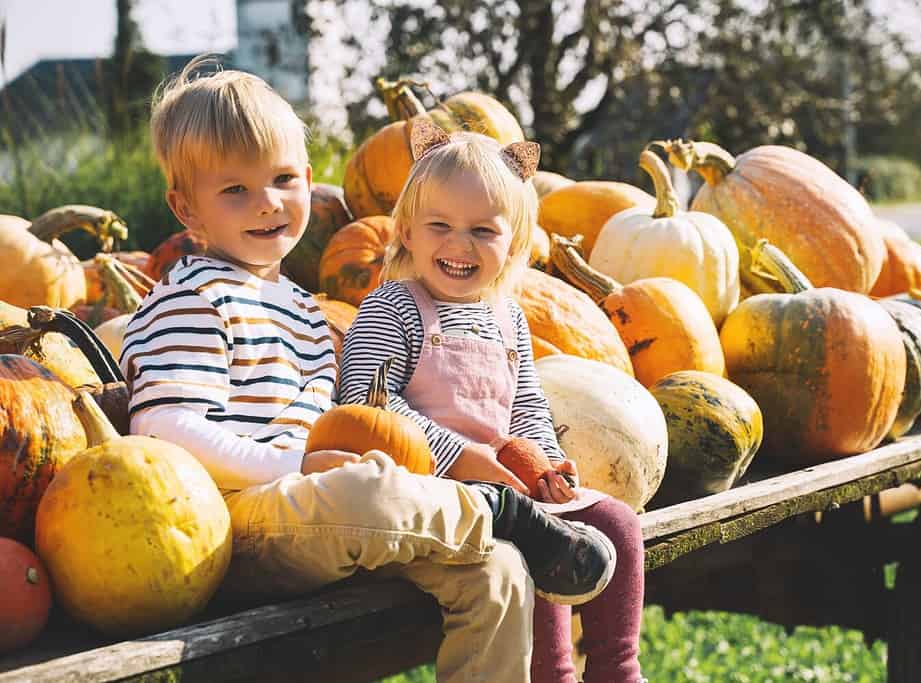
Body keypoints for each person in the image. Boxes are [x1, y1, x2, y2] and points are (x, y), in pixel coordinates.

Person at [119, 55, 616, 683]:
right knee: (370, 488)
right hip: (234, 524)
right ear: (187, 209)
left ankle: (494, 529)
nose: (267, 204)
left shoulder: (301, 308)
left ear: (307, 178)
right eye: (235, 190)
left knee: (498, 571)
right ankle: (500, 510)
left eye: (282, 180)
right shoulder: (193, 299)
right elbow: (165, 431)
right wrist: (295, 466)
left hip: (329, 514)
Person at [340, 118, 646, 683]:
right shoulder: (391, 308)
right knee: (535, 545)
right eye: (440, 226)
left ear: (514, 244)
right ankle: (552, 674)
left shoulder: (507, 319)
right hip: (432, 496)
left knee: (617, 522)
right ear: (407, 231)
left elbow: (525, 406)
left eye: (483, 231)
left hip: (508, 481)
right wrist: (458, 455)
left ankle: (616, 670)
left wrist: (548, 462)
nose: (460, 245)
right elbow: (368, 405)